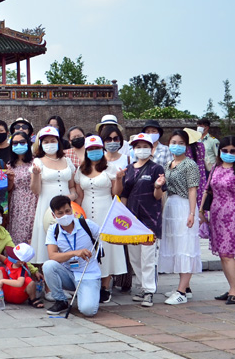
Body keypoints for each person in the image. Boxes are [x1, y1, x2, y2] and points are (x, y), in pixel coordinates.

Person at [200, 136, 235, 305]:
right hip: (216, 213)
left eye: (232, 151)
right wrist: (201, 211)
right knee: (222, 253)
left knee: (228, 253)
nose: (229, 154)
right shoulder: (215, 168)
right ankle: (231, 287)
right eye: (225, 151)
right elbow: (207, 190)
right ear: (219, 151)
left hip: (234, 213)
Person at [74, 135, 125, 304]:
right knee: (88, 244)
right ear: (86, 151)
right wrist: (78, 215)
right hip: (87, 208)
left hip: (106, 208)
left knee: (107, 246)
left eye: (97, 149)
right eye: (90, 149)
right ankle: (91, 281)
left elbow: (116, 192)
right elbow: (79, 194)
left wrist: (118, 179)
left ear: (102, 150)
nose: (94, 152)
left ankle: (105, 285)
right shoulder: (81, 170)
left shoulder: (110, 167)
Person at [120, 133, 166, 307]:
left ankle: (149, 290)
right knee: (135, 257)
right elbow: (124, 194)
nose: (141, 149)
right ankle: (140, 287)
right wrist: (123, 216)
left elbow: (158, 196)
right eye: (137, 146)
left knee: (148, 257)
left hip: (150, 219)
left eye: (144, 146)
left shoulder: (156, 169)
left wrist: (158, 186)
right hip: (132, 219)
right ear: (133, 149)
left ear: (151, 148)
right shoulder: (129, 168)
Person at [159, 129, 201, 305]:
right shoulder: (169, 164)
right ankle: (184, 286)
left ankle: (181, 291)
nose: (177, 146)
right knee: (177, 246)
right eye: (174, 142)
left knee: (186, 246)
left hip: (184, 206)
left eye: (181, 143)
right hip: (171, 205)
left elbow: (192, 189)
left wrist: (191, 213)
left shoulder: (190, 165)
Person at [43, 196, 101, 317]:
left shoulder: (87, 225)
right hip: (68, 274)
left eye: (68, 211)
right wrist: (75, 253)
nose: (65, 215)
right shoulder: (53, 230)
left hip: (88, 274)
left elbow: (107, 237)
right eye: (60, 213)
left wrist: (138, 239)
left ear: (72, 210)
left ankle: (88, 291)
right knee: (48, 266)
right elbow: (52, 256)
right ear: (54, 216)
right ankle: (60, 300)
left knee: (88, 311)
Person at [31, 126, 77, 263]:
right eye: (46, 142)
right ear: (40, 144)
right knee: (48, 236)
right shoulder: (38, 162)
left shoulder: (67, 161)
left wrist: (72, 197)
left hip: (68, 206)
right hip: (46, 205)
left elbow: (73, 186)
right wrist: (35, 175)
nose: (50, 144)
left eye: (53, 140)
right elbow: (35, 190)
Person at [6, 131, 37, 245]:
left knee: (30, 232)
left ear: (28, 143)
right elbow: (9, 189)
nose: (18, 145)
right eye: (14, 143)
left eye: (22, 142)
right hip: (15, 202)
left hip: (32, 200)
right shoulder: (9, 165)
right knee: (15, 232)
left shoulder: (34, 162)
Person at [0, 243, 42, 308]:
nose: (10, 256)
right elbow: (5, 259)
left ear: (21, 262)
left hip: (18, 294)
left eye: (13, 255)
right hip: (6, 292)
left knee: (30, 282)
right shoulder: (11, 261)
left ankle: (33, 299)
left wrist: (3, 281)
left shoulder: (22, 269)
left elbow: (19, 283)